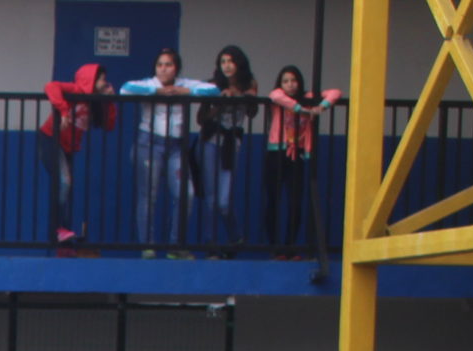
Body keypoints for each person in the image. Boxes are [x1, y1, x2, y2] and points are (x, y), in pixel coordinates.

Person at [122, 50, 216, 254]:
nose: (164, 69)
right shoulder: (149, 84)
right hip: (149, 143)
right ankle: (148, 244)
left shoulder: (185, 85)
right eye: (160, 65)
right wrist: (156, 93)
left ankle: (176, 245)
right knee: (148, 195)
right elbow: (125, 89)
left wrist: (185, 92)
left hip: (176, 146)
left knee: (186, 193)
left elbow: (213, 91)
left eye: (169, 65)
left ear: (176, 68)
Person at [38, 61, 117, 247]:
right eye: (102, 79)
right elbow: (51, 86)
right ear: (91, 79)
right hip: (51, 139)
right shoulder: (75, 90)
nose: (105, 83)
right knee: (64, 182)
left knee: (66, 186)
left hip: (68, 148)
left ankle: (62, 231)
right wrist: (64, 111)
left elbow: (109, 125)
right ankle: (57, 230)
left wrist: (110, 102)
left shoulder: (96, 103)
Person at [265, 67, 341, 255]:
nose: (290, 85)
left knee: (295, 201)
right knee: (273, 200)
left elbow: (335, 93)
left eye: (294, 80)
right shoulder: (280, 97)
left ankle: (290, 246)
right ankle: (275, 247)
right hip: (276, 152)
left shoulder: (309, 97)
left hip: (296, 154)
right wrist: (301, 109)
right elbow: (274, 95)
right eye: (286, 81)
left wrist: (319, 107)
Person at [195, 46, 261, 247]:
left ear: (239, 63)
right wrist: (218, 103)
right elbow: (200, 118)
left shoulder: (249, 83)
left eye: (230, 61)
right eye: (223, 62)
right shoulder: (213, 85)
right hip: (210, 140)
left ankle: (235, 237)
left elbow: (252, 112)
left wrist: (242, 95)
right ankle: (210, 243)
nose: (226, 66)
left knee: (224, 201)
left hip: (232, 142)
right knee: (211, 199)